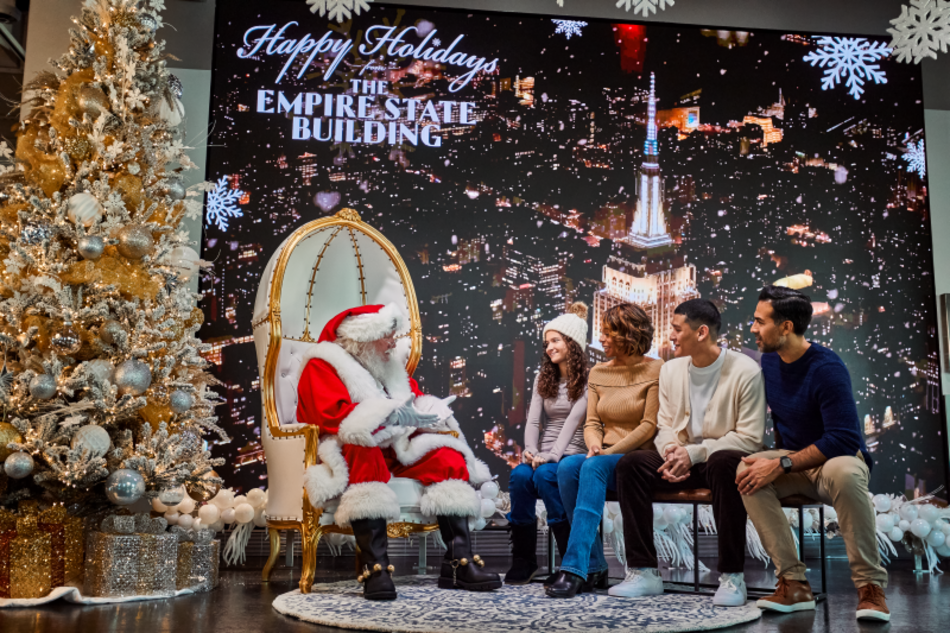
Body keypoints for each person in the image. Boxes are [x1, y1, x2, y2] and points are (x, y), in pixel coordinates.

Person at [296, 303, 502, 600]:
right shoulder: (322, 364)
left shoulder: (387, 365)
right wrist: (388, 416)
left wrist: (428, 409)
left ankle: (459, 563)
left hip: (394, 446)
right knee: (362, 449)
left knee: (448, 457)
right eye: (388, 335)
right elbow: (335, 417)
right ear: (365, 336)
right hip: (349, 447)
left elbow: (411, 400)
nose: (394, 341)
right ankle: (374, 568)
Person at [738, 285, 889, 621]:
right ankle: (793, 584)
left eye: (759, 322)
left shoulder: (826, 368)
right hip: (794, 462)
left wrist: (782, 463)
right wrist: (773, 460)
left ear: (786, 326)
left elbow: (844, 438)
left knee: (846, 473)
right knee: (745, 471)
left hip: (836, 460)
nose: (753, 328)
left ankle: (870, 589)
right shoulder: (770, 363)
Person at [610, 299, 766, 606]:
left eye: (677, 329)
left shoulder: (746, 371)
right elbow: (664, 425)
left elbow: (750, 438)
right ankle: (644, 572)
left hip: (718, 459)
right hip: (680, 458)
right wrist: (672, 453)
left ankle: (732, 577)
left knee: (724, 463)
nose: (670, 336)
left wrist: (692, 454)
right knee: (631, 465)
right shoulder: (671, 369)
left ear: (702, 332)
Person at [546, 303, 663, 598]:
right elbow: (593, 422)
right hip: (602, 454)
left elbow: (648, 426)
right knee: (567, 467)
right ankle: (596, 565)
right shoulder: (598, 372)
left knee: (590, 466)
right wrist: (595, 444)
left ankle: (573, 568)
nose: (602, 340)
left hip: (637, 458)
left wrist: (607, 454)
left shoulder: (656, 369)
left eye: (608, 334)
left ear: (628, 334)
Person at [506, 303, 590, 585]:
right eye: (547, 343)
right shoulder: (543, 377)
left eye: (556, 340)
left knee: (543, 475)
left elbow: (573, 423)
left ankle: (570, 562)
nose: (549, 347)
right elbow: (533, 421)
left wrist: (552, 456)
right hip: (545, 453)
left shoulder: (591, 379)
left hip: (572, 452)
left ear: (573, 343)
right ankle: (524, 559)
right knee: (519, 475)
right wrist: (530, 450)